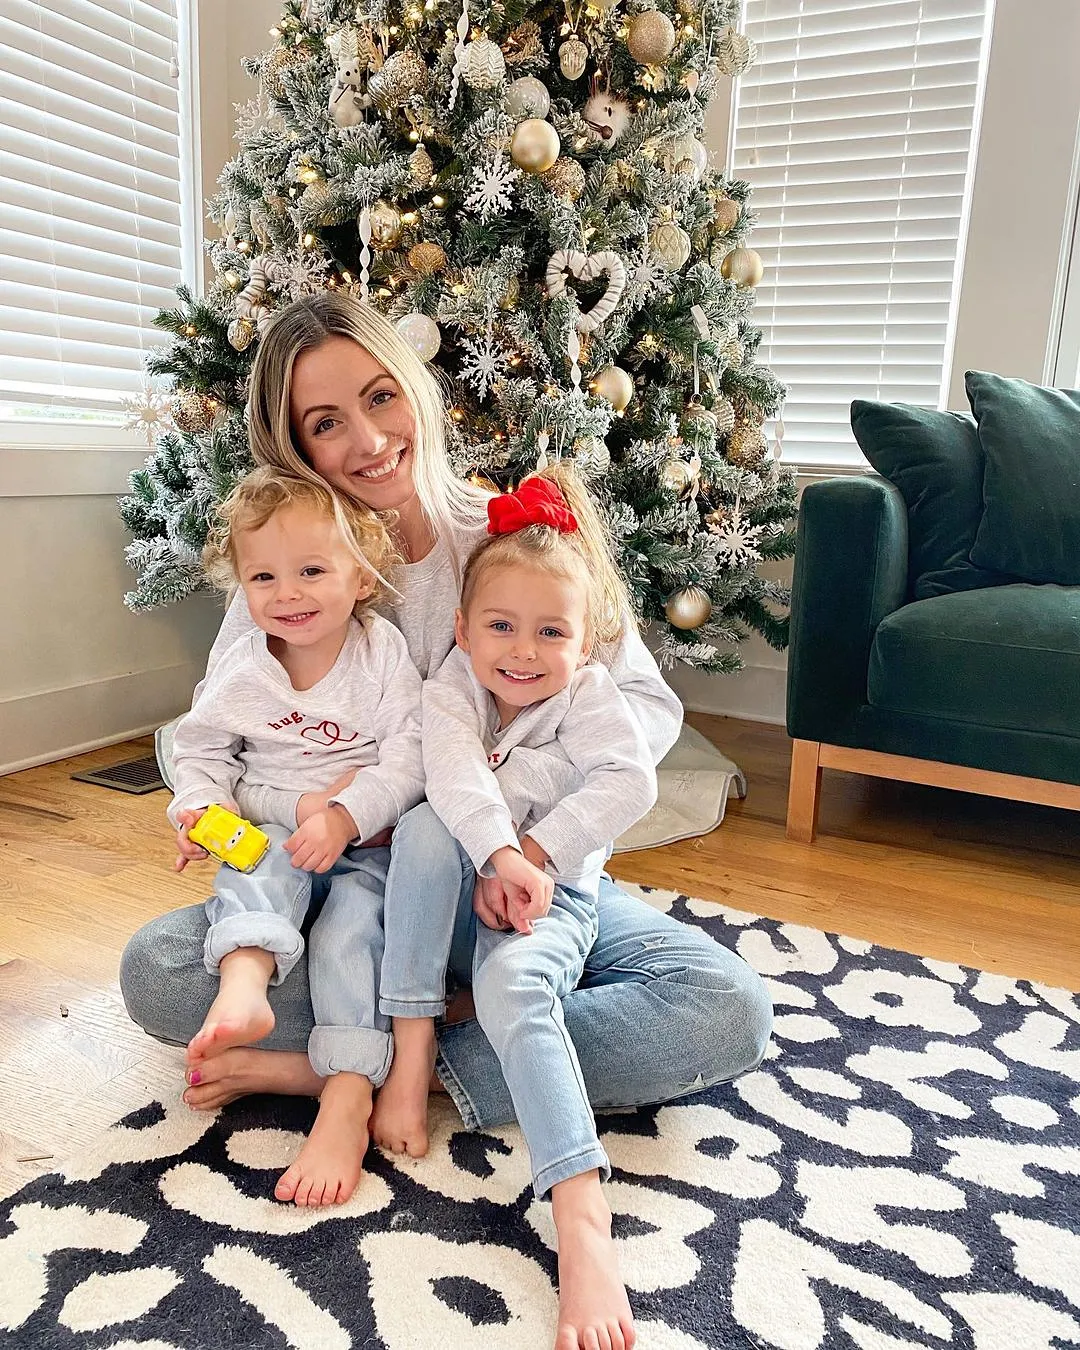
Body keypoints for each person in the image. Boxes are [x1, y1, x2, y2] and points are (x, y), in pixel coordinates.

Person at [120, 290, 772, 1349]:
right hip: (352, 880)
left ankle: (367, 1063)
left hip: (518, 882)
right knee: (159, 972)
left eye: (381, 397)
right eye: (326, 422)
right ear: (296, 446)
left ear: (417, 388)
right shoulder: (294, 559)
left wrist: (485, 804)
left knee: (723, 1009)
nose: (368, 438)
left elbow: (642, 714)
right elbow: (220, 741)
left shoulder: (515, 536)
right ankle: (413, 1043)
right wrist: (275, 810)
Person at [413, 465, 659, 1349]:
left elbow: (630, 780)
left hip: (549, 904)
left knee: (517, 989)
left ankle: (580, 1212)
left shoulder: (588, 696)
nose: (522, 652)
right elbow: (452, 772)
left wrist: (537, 856)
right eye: (501, 627)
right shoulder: (451, 683)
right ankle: (376, 1061)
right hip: (449, 900)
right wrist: (497, 852)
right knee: (404, 868)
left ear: (585, 644)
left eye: (551, 632)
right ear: (463, 628)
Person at [167, 466, 425, 1206]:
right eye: (264, 577)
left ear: (362, 577)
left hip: (367, 843)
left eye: (312, 571)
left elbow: (412, 755)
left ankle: (346, 1092)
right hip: (277, 831)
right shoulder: (244, 665)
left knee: (353, 933)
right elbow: (200, 749)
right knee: (254, 872)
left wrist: (346, 815)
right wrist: (199, 808)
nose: (288, 594)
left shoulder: (380, 655)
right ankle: (245, 985)